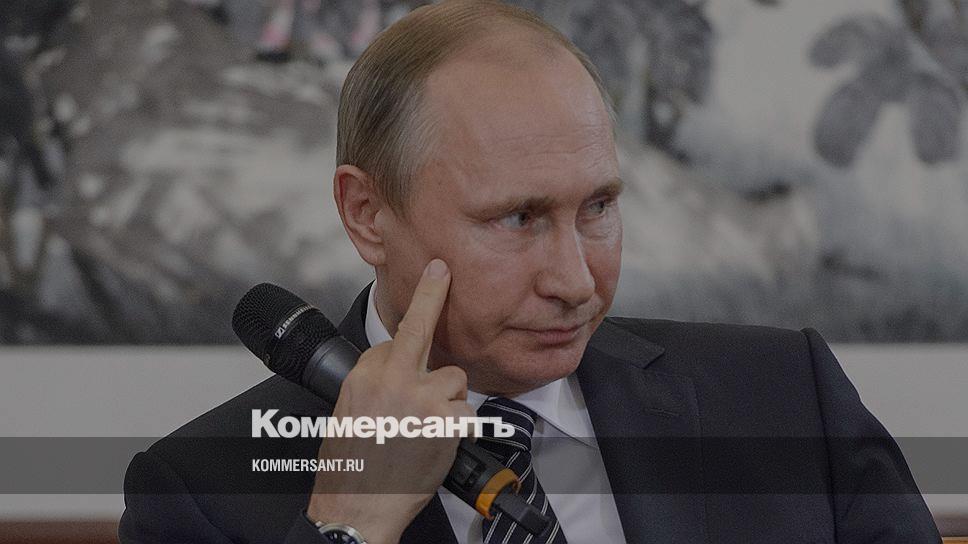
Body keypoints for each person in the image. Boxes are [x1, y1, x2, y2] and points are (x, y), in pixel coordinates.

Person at [119, 1, 942, 543]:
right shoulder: (200, 493)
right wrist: (352, 527)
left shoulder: (785, 398)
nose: (575, 282)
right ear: (367, 213)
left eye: (598, 207)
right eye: (517, 218)